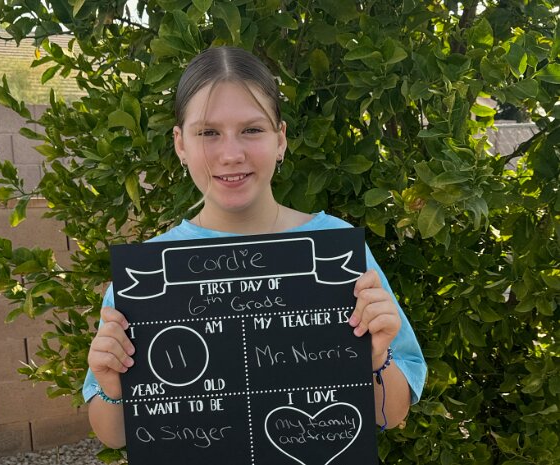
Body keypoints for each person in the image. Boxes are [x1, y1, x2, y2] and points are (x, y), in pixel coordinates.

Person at [84, 46, 426, 449]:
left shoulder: (335, 249)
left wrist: (376, 358)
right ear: (180, 144)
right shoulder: (146, 276)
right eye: (208, 133)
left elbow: (391, 415)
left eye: (252, 130)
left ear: (280, 139)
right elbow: (114, 436)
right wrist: (112, 385)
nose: (231, 154)